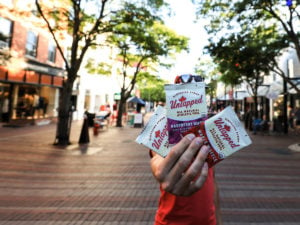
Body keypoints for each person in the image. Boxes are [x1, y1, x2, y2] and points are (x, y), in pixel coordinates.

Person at [149, 74, 222, 225]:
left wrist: (218, 220)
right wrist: (159, 169)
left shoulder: (206, 134)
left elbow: (212, 182)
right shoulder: (164, 132)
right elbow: (157, 160)